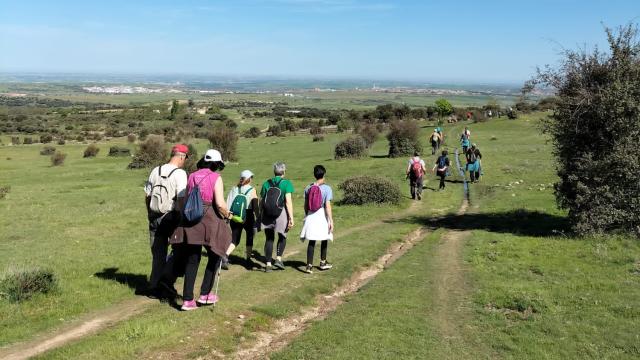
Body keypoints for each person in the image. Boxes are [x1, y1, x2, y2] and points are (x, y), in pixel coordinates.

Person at [169, 149, 232, 311]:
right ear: (216, 164)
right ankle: (205, 294)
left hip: (190, 221)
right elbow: (219, 203)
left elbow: (186, 198)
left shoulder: (191, 176)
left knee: (192, 259)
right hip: (208, 221)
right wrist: (228, 214)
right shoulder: (216, 177)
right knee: (215, 255)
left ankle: (187, 301)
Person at [143, 144, 188, 298]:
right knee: (180, 251)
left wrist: (149, 213)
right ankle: (166, 282)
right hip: (171, 217)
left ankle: (154, 287)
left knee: (158, 253)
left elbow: (147, 196)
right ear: (181, 156)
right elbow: (181, 199)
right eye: (185, 158)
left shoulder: (156, 170)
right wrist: (182, 220)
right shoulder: (180, 174)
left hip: (154, 215)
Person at [259, 162, 294, 272]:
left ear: (274, 172)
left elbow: (262, 201)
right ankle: (278, 259)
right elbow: (288, 202)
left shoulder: (266, 183)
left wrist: (260, 214)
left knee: (269, 238)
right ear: (284, 171)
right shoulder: (286, 183)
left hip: (267, 214)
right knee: (282, 236)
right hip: (281, 213)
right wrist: (291, 217)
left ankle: (268, 265)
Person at [300, 165, 334, 274]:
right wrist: (331, 220)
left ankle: (309, 266)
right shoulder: (327, 188)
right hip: (321, 214)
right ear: (324, 174)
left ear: (314, 175)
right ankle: (323, 263)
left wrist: (307, 215)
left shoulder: (308, 187)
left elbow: (306, 205)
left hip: (311, 214)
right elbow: (327, 206)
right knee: (324, 238)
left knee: (312, 240)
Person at [223, 169, 259, 270]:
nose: (252, 179)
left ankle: (225, 255)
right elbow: (255, 206)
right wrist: (258, 217)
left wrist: (227, 216)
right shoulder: (252, 190)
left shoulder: (234, 188)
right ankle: (248, 259)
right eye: (251, 177)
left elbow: (229, 202)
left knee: (235, 239)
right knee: (250, 236)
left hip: (235, 216)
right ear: (249, 179)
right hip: (248, 215)